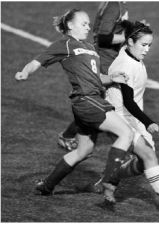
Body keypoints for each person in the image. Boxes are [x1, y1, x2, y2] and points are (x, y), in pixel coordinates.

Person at [14, 9, 134, 204]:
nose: (88, 26)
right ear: (70, 25)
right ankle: (109, 182)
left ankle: (46, 186)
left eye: (88, 23)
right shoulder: (64, 44)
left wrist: (112, 78)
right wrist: (25, 72)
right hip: (87, 101)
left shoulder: (89, 47)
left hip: (90, 100)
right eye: (84, 23)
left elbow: (96, 79)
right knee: (126, 133)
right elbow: (38, 60)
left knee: (83, 150)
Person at [102, 21, 159, 214]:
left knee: (142, 163)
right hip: (120, 119)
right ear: (130, 42)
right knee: (149, 155)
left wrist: (135, 25)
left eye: (149, 45)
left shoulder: (130, 54)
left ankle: (110, 178)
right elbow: (129, 102)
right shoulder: (125, 65)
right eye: (143, 45)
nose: (146, 50)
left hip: (133, 119)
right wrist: (149, 122)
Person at [58, 2, 129, 151]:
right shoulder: (114, 5)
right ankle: (125, 147)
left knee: (100, 102)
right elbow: (103, 37)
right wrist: (127, 37)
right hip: (105, 60)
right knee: (111, 105)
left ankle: (69, 136)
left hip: (105, 58)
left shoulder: (113, 4)